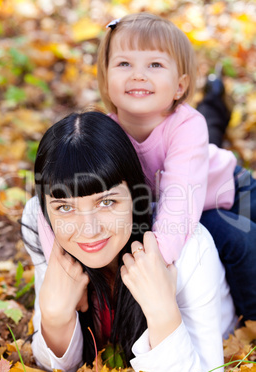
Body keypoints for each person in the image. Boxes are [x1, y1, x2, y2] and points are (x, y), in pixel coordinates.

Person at [22, 111, 236, 372]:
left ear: (135, 198)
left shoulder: (191, 248)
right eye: (65, 207)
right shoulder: (43, 229)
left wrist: (162, 313)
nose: (89, 230)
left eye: (107, 202)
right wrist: (54, 318)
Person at [95, 12, 256, 321]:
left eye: (154, 65)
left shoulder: (188, 125)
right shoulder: (104, 132)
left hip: (229, 185)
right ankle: (250, 318)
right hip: (192, 211)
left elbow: (180, 198)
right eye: (124, 63)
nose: (138, 75)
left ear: (180, 85)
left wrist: (157, 265)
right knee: (242, 240)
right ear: (105, 77)